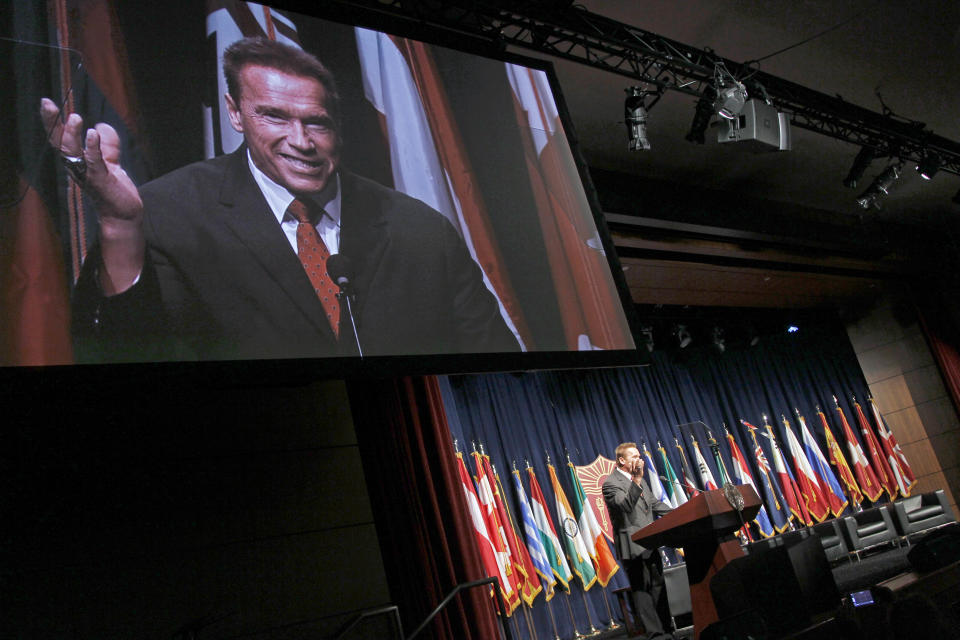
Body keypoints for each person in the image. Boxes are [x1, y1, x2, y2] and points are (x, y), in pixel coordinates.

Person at [41, 37, 519, 363]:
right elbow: (130, 355)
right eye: (274, 117)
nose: (301, 142)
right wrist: (121, 227)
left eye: (316, 122)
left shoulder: (421, 229)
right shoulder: (169, 211)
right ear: (235, 112)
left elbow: (496, 360)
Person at [602, 442, 675, 639]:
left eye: (639, 455)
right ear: (622, 460)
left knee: (659, 586)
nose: (639, 459)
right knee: (642, 590)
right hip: (632, 546)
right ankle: (656, 635)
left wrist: (681, 513)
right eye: (633, 456)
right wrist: (636, 480)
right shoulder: (610, 484)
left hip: (650, 542)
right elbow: (625, 505)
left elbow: (654, 504)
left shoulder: (639, 481)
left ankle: (668, 630)